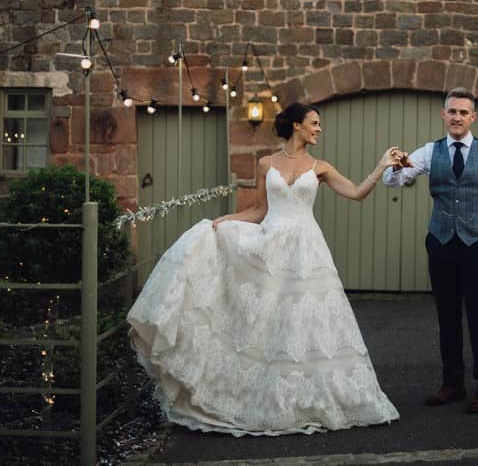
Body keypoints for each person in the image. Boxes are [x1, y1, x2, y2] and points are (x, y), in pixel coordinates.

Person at [126, 102, 401, 436]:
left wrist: (380, 166)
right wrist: (225, 221)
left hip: (306, 250)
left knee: (307, 323)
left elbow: (357, 193)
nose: (319, 128)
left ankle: (311, 398)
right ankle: (261, 393)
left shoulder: (320, 167)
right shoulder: (266, 163)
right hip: (270, 245)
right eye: (314, 123)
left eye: (319, 124)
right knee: (269, 320)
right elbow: (258, 210)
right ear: (297, 125)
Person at [384, 87, 478, 414]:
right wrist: (398, 165)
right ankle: (452, 383)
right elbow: (393, 181)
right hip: (442, 243)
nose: (457, 117)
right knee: (447, 316)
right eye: (452, 111)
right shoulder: (431, 151)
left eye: (463, 112)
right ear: (443, 115)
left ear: (473, 117)